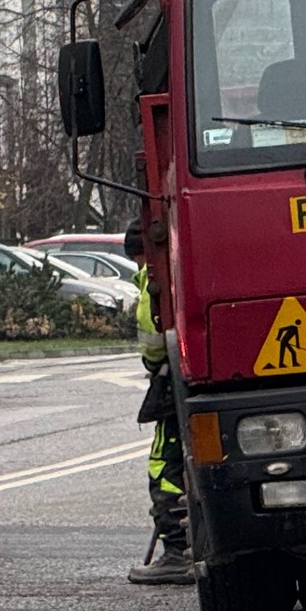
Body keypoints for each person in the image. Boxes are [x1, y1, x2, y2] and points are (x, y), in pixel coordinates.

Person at [126, 224, 191, 585]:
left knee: (164, 466)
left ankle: (178, 550)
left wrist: (156, 368)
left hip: (173, 383)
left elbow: (152, 347)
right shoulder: (178, 266)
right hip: (187, 378)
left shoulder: (153, 283)